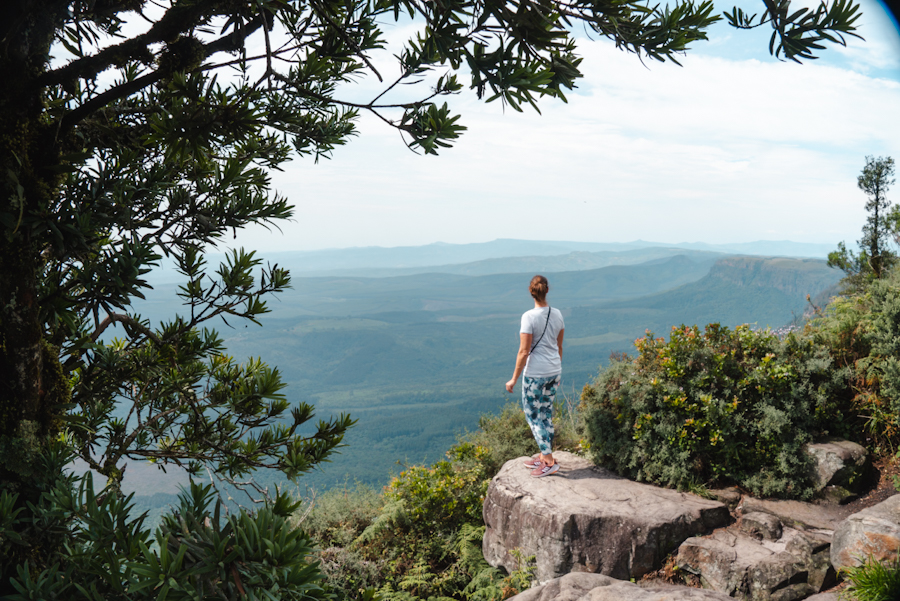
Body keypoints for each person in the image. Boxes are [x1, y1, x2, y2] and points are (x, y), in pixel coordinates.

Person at [505, 275, 565, 477]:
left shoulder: (528, 317)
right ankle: (543, 455)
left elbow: (524, 351)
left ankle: (548, 461)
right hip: (554, 370)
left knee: (533, 415)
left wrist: (513, 378)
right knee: (545, 413)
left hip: (536, 374)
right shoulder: (557, 314)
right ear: (547, 290)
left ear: (531, 292)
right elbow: (559, 346)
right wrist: (555, 367)